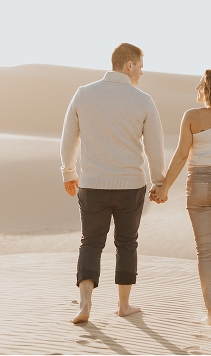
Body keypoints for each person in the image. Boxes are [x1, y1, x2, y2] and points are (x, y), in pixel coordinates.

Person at [61, 43, 166, 324]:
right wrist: (159, 181)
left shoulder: (84, 94)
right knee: (127, 243)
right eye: (140, 66)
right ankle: (123, 305)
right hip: (130, 185)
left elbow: (69, 136)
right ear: (128, 65)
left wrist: (68, 171)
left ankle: (85, 304)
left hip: (93, 184)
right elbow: (155, 146)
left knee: (91, 242)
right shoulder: (143, 100)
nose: (142, 72)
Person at [150, 68, 211, 327]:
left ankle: (210, 312)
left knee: (205, 251)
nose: (197, 88)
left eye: (201, 84)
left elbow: (182, 155)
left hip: (198, 185)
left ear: (208, 89)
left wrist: (164, 187)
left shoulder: (191, 117)